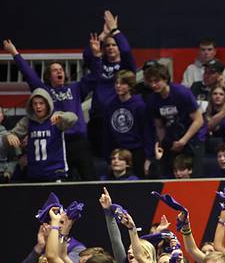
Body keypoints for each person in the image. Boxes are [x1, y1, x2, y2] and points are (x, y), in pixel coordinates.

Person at [3, 39, 96, 181]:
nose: (59, 71)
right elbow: (29, 74)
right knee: (66, 182)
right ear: (48, 75)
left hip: (79, 141)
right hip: (57, 143)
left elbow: (95, 77)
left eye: (61, 69)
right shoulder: (44, 92)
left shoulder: (75, 88)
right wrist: (14, 53)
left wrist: (95, 55)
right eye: (55, 70)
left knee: (90, 179)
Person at [144, 63, 206, 177]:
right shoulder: (152, 100)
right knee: (169, 173)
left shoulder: (182, 93)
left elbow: (198, 120)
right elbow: (159, 126)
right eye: (150, 81)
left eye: (156, 81)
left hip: (193, 138)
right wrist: (164, 143)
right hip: (172, 139)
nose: (153, 85)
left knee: (194, 175)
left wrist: (183, 141)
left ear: (165, 79)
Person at [1, 89, 77, 182]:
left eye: (41, 103)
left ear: (48, 104)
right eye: (35, 104)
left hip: (55, 173)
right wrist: (9, 135)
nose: (38, 106)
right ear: (31, 106)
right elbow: (9, 137)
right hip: (35, 174)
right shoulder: (27, 121)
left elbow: (73, 118)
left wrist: (62, 117)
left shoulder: (56, 118)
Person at [100, 70, 154, 177]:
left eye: (122, 83)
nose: (118, 86)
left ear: (130, 86)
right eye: (116, 83)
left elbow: (147, 132)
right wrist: (108, 157)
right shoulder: (110, 105)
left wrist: (148, 158)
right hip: (117, 150)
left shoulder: (140, 106)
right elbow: (106, 133)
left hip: (137, 152)